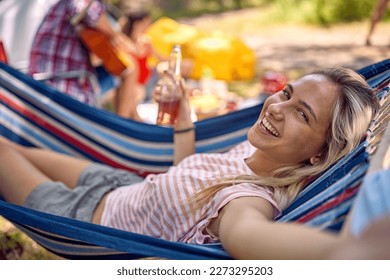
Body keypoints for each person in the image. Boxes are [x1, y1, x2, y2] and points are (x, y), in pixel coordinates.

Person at [0, 68, 379, 259]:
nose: (276, 109)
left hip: (80, 219)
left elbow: (248, 237)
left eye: (302, 114)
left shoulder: (246, 199)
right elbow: (186, 180)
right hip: (119, 183)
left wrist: (347, 253)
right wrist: (184, 120)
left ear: (319, 153)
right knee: (15, 145)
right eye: (285, 93)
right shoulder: (254, 152)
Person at [28, 0, 141, 120]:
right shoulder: (78, 4)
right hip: (58, 85)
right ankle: (122, 127)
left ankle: (124, 123)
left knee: (128, 69)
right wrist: (115, 36)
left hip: (58, 78)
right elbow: (90, 13)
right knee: (129, 70)